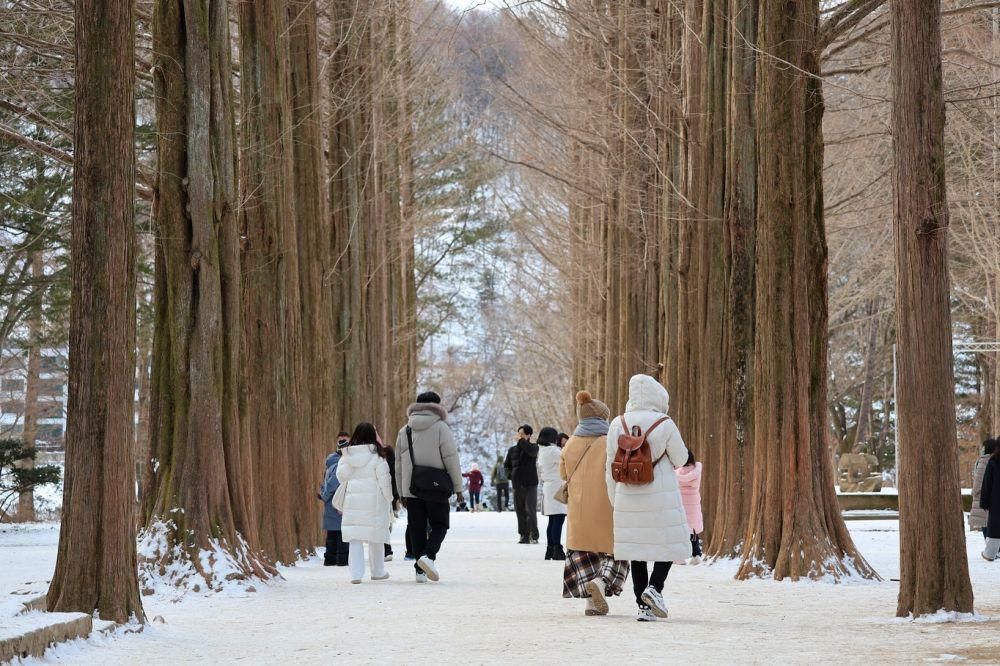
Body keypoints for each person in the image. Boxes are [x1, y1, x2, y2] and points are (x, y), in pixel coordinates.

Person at [605, 374, 690, 622]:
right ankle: (654, 588)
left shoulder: (617, 423)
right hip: (660, 496)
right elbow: (681, 458)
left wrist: (614, 498)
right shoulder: (664, 422)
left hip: (627, 496)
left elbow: (609, 465)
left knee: (637, 552)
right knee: (669, 545)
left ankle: (643, 607)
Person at [561, 390, 629, 617]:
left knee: (584, 554)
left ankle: (590, 604)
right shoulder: (610, 442)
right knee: (614, 551)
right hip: (606, 506)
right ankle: (601, 582)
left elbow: (563, 474)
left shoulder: (570, 444)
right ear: (602, 418)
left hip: (578, 512)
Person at [395, 390, 463, 583]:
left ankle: (420, 571)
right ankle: (428, 556)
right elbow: (451, 458)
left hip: (412, 489)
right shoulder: (441, 427)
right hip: (436, 487)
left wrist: (401, 492)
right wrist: (458, 488)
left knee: (416, 528)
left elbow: (398, 464)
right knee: (440, 525)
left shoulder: (404, 430)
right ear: (437, 406)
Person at [337, 423, 393, 584]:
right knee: (376, 536)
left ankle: (356, 574)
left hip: (353, 502)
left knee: (355, 538)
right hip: (375, 502)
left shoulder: (347, 455)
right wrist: (389, 498)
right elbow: (385, 481)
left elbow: (341, 477)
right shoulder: (378, 457)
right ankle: (378, 571)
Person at [319, 432, 351, 566]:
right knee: (341, 533)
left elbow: (327, 482)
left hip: (332, 503)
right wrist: (325, 495)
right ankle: (341, 560)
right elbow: (333, 483)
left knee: (332, 533)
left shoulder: (331, 463)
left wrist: (323, 494)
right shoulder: (340, 464)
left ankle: (330, 559)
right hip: (338, 502)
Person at [505, 425, 540, 544]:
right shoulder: (512, 450)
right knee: (520, 511)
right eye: (519, 433)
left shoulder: (534, 447)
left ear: (529, 435)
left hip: (530, 485)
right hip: (517, 485)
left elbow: (531, 452)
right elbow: (506, 466)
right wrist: (510, 475)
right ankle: (523, 535)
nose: (520, 436)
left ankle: (533, 535)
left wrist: (521, 441)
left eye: (523, 434)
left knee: (530, 511)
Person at [537, 426, 567, 560]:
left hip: (548, 487)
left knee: (553, 519)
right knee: (558, 518)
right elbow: (566, 460)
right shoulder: (553, 451)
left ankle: (550, 549)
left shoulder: (542, 450)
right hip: (556, 486)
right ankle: (557, 549)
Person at [675, 451, 703, 565]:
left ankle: (679, 557)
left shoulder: (678, 472)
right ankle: (696, 555)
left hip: (681, 501)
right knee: (693, 530)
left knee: (680, 531)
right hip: (693, 501)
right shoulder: (697, 470)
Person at [377, 432, 400, 562]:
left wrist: (394, 496)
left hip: (387, 494)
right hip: (384, 494)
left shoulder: (388, 454)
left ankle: (386, 549)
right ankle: (385, 549)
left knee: (385, 523)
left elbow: (394, 476)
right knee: (384, 523)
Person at [970, 438, 996, 540]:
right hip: (988, 498)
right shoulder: (991, 460)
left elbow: (978, 482)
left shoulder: (984, 461)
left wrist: (974, 492)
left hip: (983, 498)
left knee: (986, 525)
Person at [981, 443, 1000, 561]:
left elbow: (987, 484)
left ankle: (989, 554)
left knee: (996, 529)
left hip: (997, 502)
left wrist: (984, 502)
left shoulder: (993, 462)